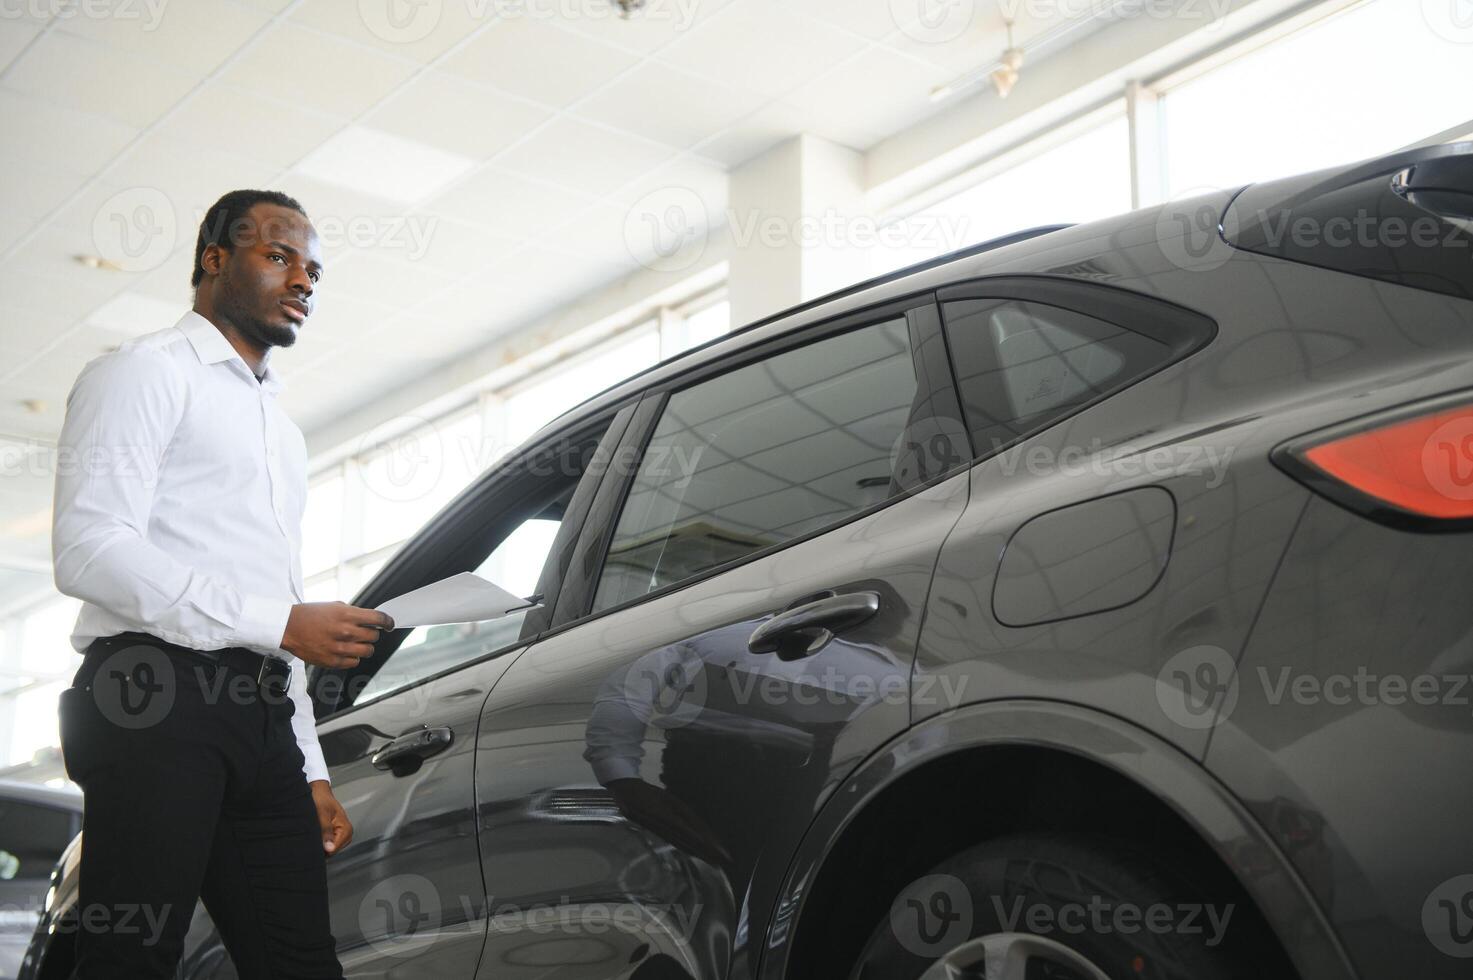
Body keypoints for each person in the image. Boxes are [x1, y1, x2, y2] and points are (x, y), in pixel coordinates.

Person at [51, 189, 394, 979]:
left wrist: (308, 767)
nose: (302, 280)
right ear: (215, 260)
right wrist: (277, 622)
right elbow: (89, 548)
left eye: (312, 269)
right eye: (279, 257)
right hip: (151, 697)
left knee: (300, 961)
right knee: (130, 958)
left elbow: (279, 591)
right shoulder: (142, 373)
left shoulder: (282, 428)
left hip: (260, 714)